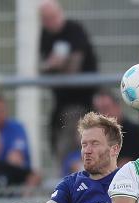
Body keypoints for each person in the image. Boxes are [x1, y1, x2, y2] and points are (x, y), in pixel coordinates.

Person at [39, 0, 98, 160]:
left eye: (52, 17)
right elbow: (43, 67)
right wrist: (52, 65)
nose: (49, 22)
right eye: (45, 18)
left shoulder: (74, 30)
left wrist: (56, 65)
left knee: (79, 142)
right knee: (56, 140)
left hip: (82, 100)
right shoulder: (46, 34)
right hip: (61, 101)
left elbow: (73, 67)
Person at [62, 90, 139, 175]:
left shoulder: (137, 133)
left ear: (117, 107)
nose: (102, 115)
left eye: (106, 108)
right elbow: (76, 164)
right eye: (97, 111)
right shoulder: (89, 135)